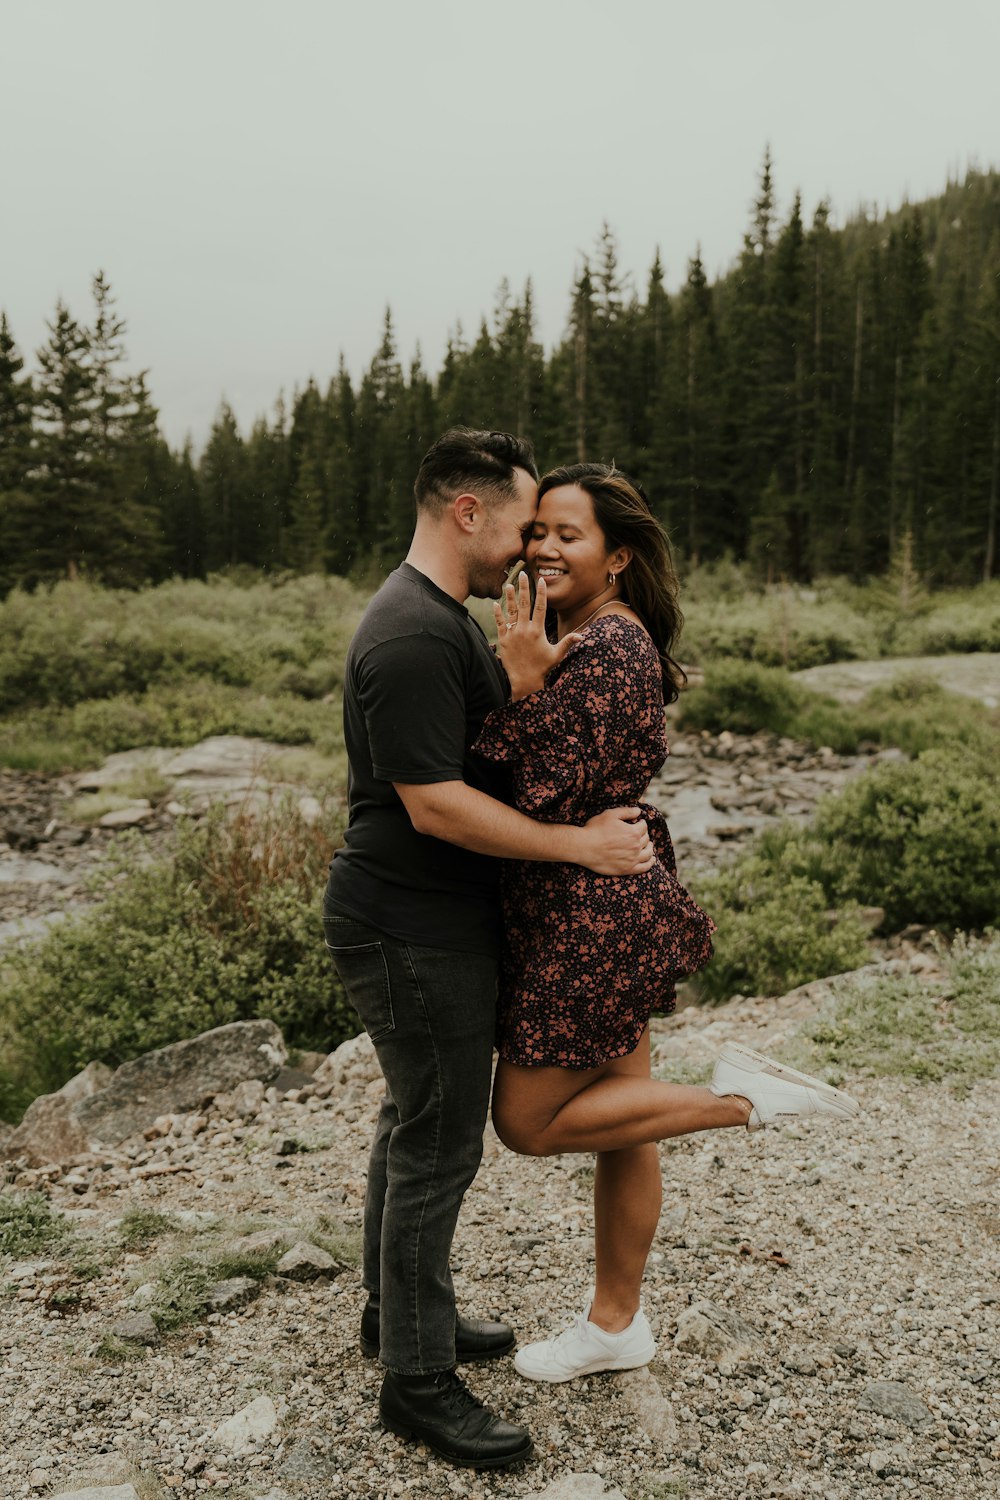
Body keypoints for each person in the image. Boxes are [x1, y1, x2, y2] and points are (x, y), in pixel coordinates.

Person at [476, 463, 860, 1384]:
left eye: (569, 534)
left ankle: (745, 1099)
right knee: (625, 1127)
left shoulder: (607, 649)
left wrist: (516, 686)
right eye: (537, 533)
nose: (544, 548)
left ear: (617, 557)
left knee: (527, 1123)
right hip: (597, 901)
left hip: (590, 916)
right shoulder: (593, 636)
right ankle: (616, 1326)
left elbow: (530, 788)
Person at [322, 430, 656, 1469]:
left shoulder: (443, 620)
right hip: (412, 924)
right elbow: (436, 806)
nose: (528, 548)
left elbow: (479, 755)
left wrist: (515, 684)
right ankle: (417, 1385)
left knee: (409, 1123)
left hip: (428, 921)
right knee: (437, 1147)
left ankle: (397, 1319)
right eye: (521, 523)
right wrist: (578, 847)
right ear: (468, 512)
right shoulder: (415, 636)